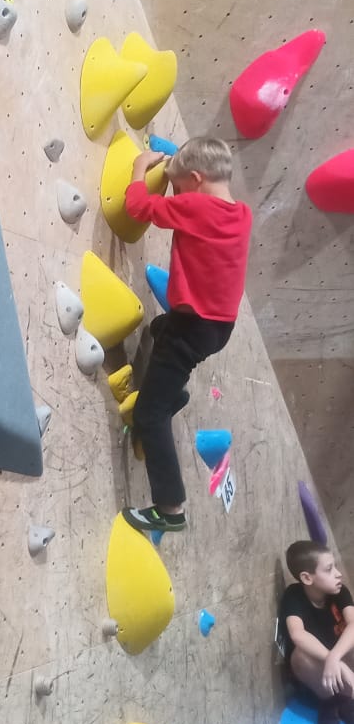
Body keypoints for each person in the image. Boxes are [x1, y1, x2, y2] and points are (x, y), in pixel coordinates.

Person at [119, 137, 252, 535]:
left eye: (178, 187)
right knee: (160, 331)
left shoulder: (195, 207)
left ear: (195, 179)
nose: (176, 194)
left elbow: (138, 207)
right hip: (217, 328)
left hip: (191, 327)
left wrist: (140, 168)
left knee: (149, 413)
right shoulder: (241, 214)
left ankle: (170, 507)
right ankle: (171, 394)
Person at [279, 540, 354, 724]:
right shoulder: (294, 595)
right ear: (307, 578)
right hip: (317, 672)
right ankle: (330, 701)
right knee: (300, 656)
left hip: (340, 658)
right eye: (329, 569)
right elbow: (297, 634)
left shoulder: (340, 591)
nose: (338, 574)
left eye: (335, 566)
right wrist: (333, 661)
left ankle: (346, 700)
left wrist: (335, 657)